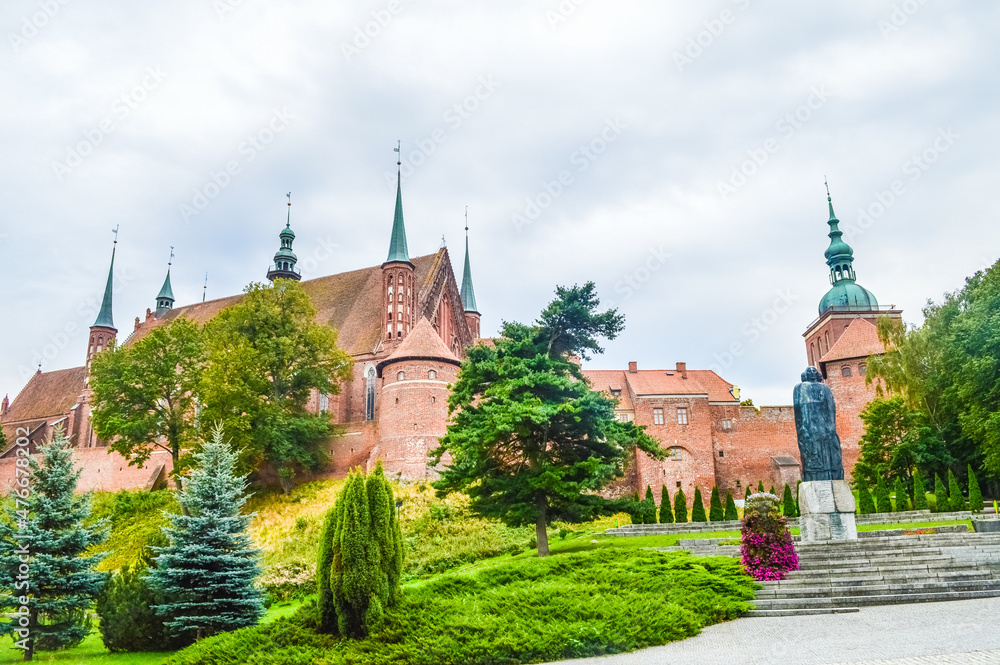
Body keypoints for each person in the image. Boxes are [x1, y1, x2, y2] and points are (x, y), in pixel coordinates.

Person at [793, 366, 844, 482]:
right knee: (812, 455)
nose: (811, 373)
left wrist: (831, 427)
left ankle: (832, 476)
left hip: (825, 428)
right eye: (809, 371)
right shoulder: (800, 388)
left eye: (814, 371)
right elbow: (799, 409)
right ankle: (814, 478)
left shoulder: (825, 388)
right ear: (805, 374)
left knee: (830, 455)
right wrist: (803, 428)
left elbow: (831, 407)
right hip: (809, 428)